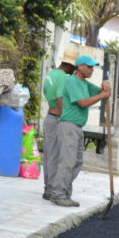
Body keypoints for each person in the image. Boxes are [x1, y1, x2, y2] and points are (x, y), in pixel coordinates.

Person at [50, 55, 110, 207]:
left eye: (93, 67)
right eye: (89, 67)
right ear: (80, 67)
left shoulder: (84, 83)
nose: (92, 70)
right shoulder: (72, 81)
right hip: (68, 125)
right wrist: (103, 94)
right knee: (67, 161)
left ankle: (64, 192)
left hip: (77, 126)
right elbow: (83, 103)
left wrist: (105, 87)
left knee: (77, 162)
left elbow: (99, 92)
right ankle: (58, 194)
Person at [40, 54, 76, 195]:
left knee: (49, 155)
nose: (74, 70)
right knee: (59, 156)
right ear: (69, 65)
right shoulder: (63, 78)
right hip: (57, 119)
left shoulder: (51, 74)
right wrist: (67, 118)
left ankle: (48, 189)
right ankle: (55, 190)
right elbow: (61, 100)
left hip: (49, 117)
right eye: (74, 67)